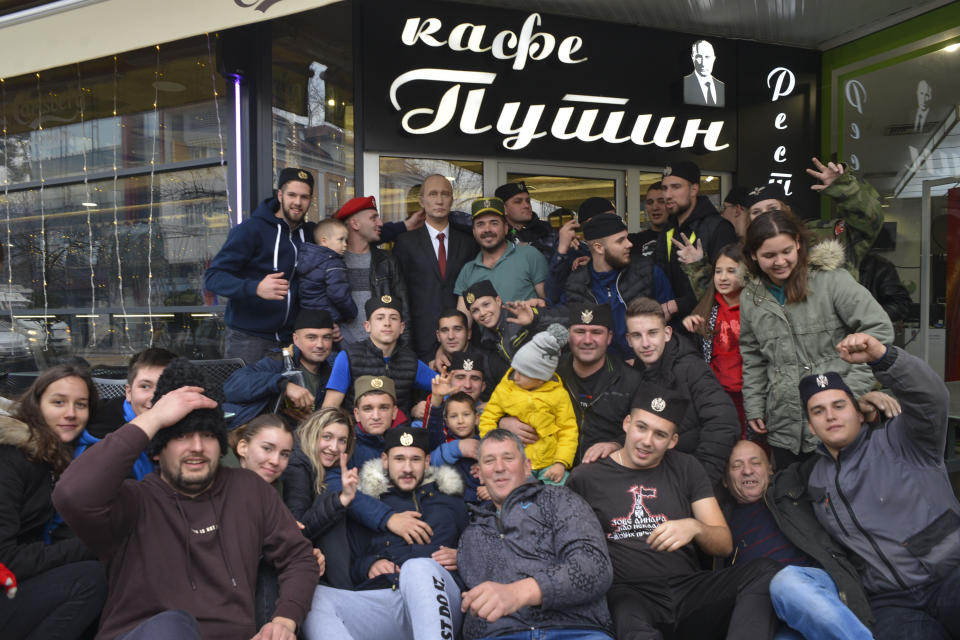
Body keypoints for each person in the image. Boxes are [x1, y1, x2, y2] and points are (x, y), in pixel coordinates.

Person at [52, 358, 317, 640]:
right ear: (157, 451)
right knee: (172, 627)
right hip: (146, 633)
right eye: (181, 436)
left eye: (207, 435)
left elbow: (299, 557)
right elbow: (72, 494)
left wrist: (285, 620)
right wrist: (153, 419)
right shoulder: (132, 501)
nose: (197, 447)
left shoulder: (250, 490)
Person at [567, 383, 779, 640]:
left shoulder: (686, 467)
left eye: (659, 434)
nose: (646, 441)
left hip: (688, 589)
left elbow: (723, 545)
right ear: (627, 424)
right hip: (630, 592)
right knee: (625, 610)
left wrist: (694, 526)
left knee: (765, 572)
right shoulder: (587, 477)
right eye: (641, 427)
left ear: (672, 441)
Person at [799, 333, 960, 640]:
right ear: (810, 426)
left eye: (839, 405)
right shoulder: (813, 479)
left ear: (859, 411)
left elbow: (931, 398)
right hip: (890, 603)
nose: (830, 415)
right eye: (818, 411)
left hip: (950, 573)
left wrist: (883, 358)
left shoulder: (901, 438)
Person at [739, 210, 894, 468]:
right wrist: (755, 405)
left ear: (799, 243)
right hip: (784, 425)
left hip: (837, 421)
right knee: (796, 499)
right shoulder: (750, 296)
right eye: (769, 255)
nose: (780, 261)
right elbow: (753, 356)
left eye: (787, 251)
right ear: (754, 255)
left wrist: (851, 395)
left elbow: (879, 332)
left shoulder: (832, 280)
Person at [302, 426, 468, 640]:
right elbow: (352, 564)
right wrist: (369, 565)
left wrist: (462, 556)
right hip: (388, 601)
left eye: (415, 460)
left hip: (440, 600)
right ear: (385, 460)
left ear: (427, 462)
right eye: (399, 459)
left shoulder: (450, 500)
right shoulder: (371, 505)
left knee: (417, 567)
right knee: (313, 597)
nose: (407, 468)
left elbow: (482, 549)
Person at [458, 429, 614, 640]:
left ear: (527, 466)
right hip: (502, 634)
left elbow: (594, 567)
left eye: (508, 458)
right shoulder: (472, 532)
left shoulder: (559, 500)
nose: (499, 468)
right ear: (480, 473)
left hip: (575, 629)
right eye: (489, 461)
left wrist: (519, 593)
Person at [722, 440, 874, 639]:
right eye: (737, 466)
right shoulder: (720, 524)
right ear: (724, 479)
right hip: (768, 613)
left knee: (785, 582)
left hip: (813, 586)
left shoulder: (790, 483)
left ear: (770, 469)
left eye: (756, 463)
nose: (747, 471)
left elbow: (836, 456)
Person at [0, 366, 107, 640]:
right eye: (58, 402)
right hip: (6, 582)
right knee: (90, 580)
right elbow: (6, 559)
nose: (70, 413)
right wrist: (91, 547)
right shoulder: (11, 458)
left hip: (17, 585)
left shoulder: (51, 453)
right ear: (36, 405)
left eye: (80, 404)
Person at [204, 167, 316, 364]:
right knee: (247, 394)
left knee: (292, 394)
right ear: (280, 195)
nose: (297, 202)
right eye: (292, 195)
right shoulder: (251, 229)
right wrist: (255, 287)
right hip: (249, 339)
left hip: (292, 340)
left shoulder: (310, 234)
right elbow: (213, 278)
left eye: (304, 197)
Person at [625, 297, 739, 487]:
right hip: (653, 480)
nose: (645, 343)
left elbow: (723, 422)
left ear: (667, 333)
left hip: (691, 479)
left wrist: (699, 481)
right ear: (629, 340)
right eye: (637, 335)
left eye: (653, 333)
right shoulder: (632, 376)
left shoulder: (691, 368)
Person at [226, 414, 324, 629]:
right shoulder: (222, 477)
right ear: (243, 447)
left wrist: (303, 551)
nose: (275, 461)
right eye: (267, 448)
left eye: (284, 454)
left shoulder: (274, 487)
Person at [746, 157, 885, 277]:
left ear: (786, 210)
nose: (765, 215)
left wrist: (844, 188)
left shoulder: (825, 235)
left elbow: (868, 222)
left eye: (772, 208)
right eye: (756, 212)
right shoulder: (746, 257)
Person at [563, 212, 676, 360]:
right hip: (603, 373)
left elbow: (670, 322)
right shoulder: (575, 284)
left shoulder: (648, 272)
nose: (629, 244)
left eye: (627, 237)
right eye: (620, 240)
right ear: (598, 248)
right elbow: (566, 329)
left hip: (649, 368)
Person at [479, 324, 577, 485]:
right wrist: (493, 449)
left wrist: (561, 463)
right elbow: (488, 417)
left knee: (562, 490)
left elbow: (568, 430)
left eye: (523, 374)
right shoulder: (506, 388)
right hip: (515, 463)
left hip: (549, 463)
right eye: (515, 369)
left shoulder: (558, 394)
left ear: (540, 378)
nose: (516, 377)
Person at [393, 174, 478, 360]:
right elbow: (401, 293)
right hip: (420, 339)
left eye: (445, 194)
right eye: (433, 194)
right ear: (422, 201)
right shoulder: (405, 243)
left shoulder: (468, 243)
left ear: (452, 200)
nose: (439, 200)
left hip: (461, 340)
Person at [282, 407, 359, 589]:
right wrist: (340, 500)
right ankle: (344, 590)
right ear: (312, 433)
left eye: (342, 441)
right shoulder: (297, 463)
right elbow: (299, 527)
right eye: (327, 437)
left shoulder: (320, 463)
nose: (334, 447)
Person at [557, 302, 643, 465]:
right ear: (569, 335)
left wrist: (616, 444)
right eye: (580, 331)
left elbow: (644, 430)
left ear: (609, 337)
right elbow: (510, 398)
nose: (587, 340)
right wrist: (506, 420)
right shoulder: (550, 371)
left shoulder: (631, 380)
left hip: (603, 474)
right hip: (551, 470)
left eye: (596, 332)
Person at [322, 296, 434, 414]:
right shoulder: (348, 357)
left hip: (398, 431)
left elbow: (447, 388)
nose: (387, 323)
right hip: (356, 430)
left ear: (402, 328)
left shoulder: (411, 361)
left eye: (393, 318)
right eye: (380, 318)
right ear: (367, 326)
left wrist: (416, 409)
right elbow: (330, 408)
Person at [224, 308, 335, 426]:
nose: (320, 345)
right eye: (311, 337)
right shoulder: (279, 361)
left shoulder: (335, 369)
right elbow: (233, 386)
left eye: (326, 337)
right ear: (296, 339)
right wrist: (283, 385)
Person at [656, 161, 738, 320]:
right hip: (672, 327)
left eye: (676, 187)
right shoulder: (668, 228)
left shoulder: (719, 228)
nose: (667, 195)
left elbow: (728, 286)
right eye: (665, 188)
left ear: (694, 189)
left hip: (707, 327)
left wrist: (676, 305)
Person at [682, 244, 749, 435]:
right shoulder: (709, 307)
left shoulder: (754, 309)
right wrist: (691, 328)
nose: (723, 277)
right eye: (718, 271)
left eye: (731, 271)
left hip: (749, 394)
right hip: (717, 393)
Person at [463, 279, 564, 389]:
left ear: (498, 301)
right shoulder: (486, 343)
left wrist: (535, 318)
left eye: (486, 304)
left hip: (553, 386)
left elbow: (566, 324)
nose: (482, 313)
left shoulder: (521, 315)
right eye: (475, 310)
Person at [336, 195, 410, 344]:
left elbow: (404, 312)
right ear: (355, 224)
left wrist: (404, 354)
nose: (380, 223)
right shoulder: (333, 262)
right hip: (342, 351)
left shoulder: (387, 261)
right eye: (373, 218)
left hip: (382, 352)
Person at [455, 197, 549, 309]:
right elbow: (463, 322)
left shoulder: (530, 255)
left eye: (494, 223)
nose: (487, 229)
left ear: (505, 228)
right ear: (474, 232)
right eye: (480, 224)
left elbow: (549, 303)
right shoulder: (468, 271)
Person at [86, 347, 177, 438]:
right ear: (129, 392)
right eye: (145, 386)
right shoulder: (100, 432)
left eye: (166, 387)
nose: (154, 398)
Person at [425, 387, 483, 503]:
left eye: (466, 414)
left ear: (477, 418)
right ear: (446, 422)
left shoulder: (487, 442)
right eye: (453, 416)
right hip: (451, 503)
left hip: (483, 502)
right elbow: (432, 428)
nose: (460, 421)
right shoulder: (443, 442)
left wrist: (490, 489)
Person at [296, 217, 357, 326]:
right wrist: (351, 313)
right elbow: (339, 294)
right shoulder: (333, 263)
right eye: (341, 239)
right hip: (328, 317)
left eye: (346, 240)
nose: (345, 244)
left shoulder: (306, 258)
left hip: (307, 316)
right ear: (324, 241)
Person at [496, 181, 556, 259]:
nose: (526, 205)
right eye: (518, 202)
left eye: (528, 201)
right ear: (504, 209)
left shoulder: (546, 229)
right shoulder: (495, 233)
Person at [683, 39, 726, 107]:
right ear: (693, 58)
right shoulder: (685, 83)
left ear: (713, 59)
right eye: (699, 57)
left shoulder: (721, 86)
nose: (703, 63)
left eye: (707, 57)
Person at [632, 183, 670, 257]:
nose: (655, 207)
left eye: (661, 201)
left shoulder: (683, 238)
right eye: (650, 202)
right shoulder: (633, 241)